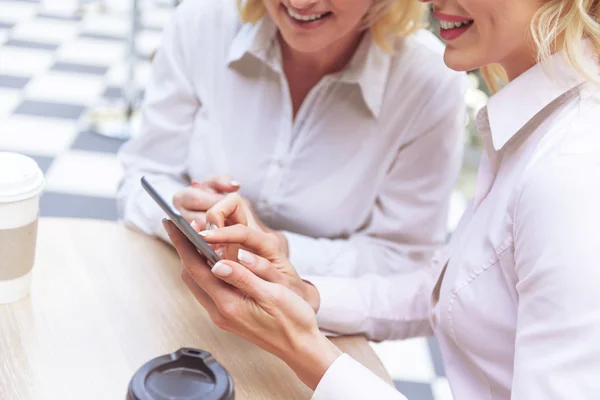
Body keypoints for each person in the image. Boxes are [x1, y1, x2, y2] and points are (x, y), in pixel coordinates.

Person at [162, 0, 600, 398]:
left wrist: (306, 351)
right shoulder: (536, 120)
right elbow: (454, 285)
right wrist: (306, 295)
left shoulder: (568, 172)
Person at [117, 0, 467, 278]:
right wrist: (182, 210)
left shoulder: (429, 81)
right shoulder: (201, 22)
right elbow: (140, 180)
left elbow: (403, 261)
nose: (301, 3)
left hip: (321, 334)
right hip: (177, 289)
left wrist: (275, 248)